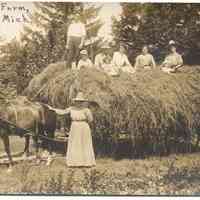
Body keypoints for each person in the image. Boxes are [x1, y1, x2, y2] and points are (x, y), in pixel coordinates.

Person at [46, 92, 96, 167]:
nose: (78, 103)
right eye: (77, 102)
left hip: (83, 127)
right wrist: (52, 109)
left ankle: (86, 162)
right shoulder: (71, 109)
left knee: (84, 143)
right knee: (75, 143)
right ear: (75, 102)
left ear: (83, 102)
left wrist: (83, 122)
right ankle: (74, 163)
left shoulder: (86, 110)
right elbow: (62, 112)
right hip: (74, 127)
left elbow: (91, 120)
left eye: (80, 102)